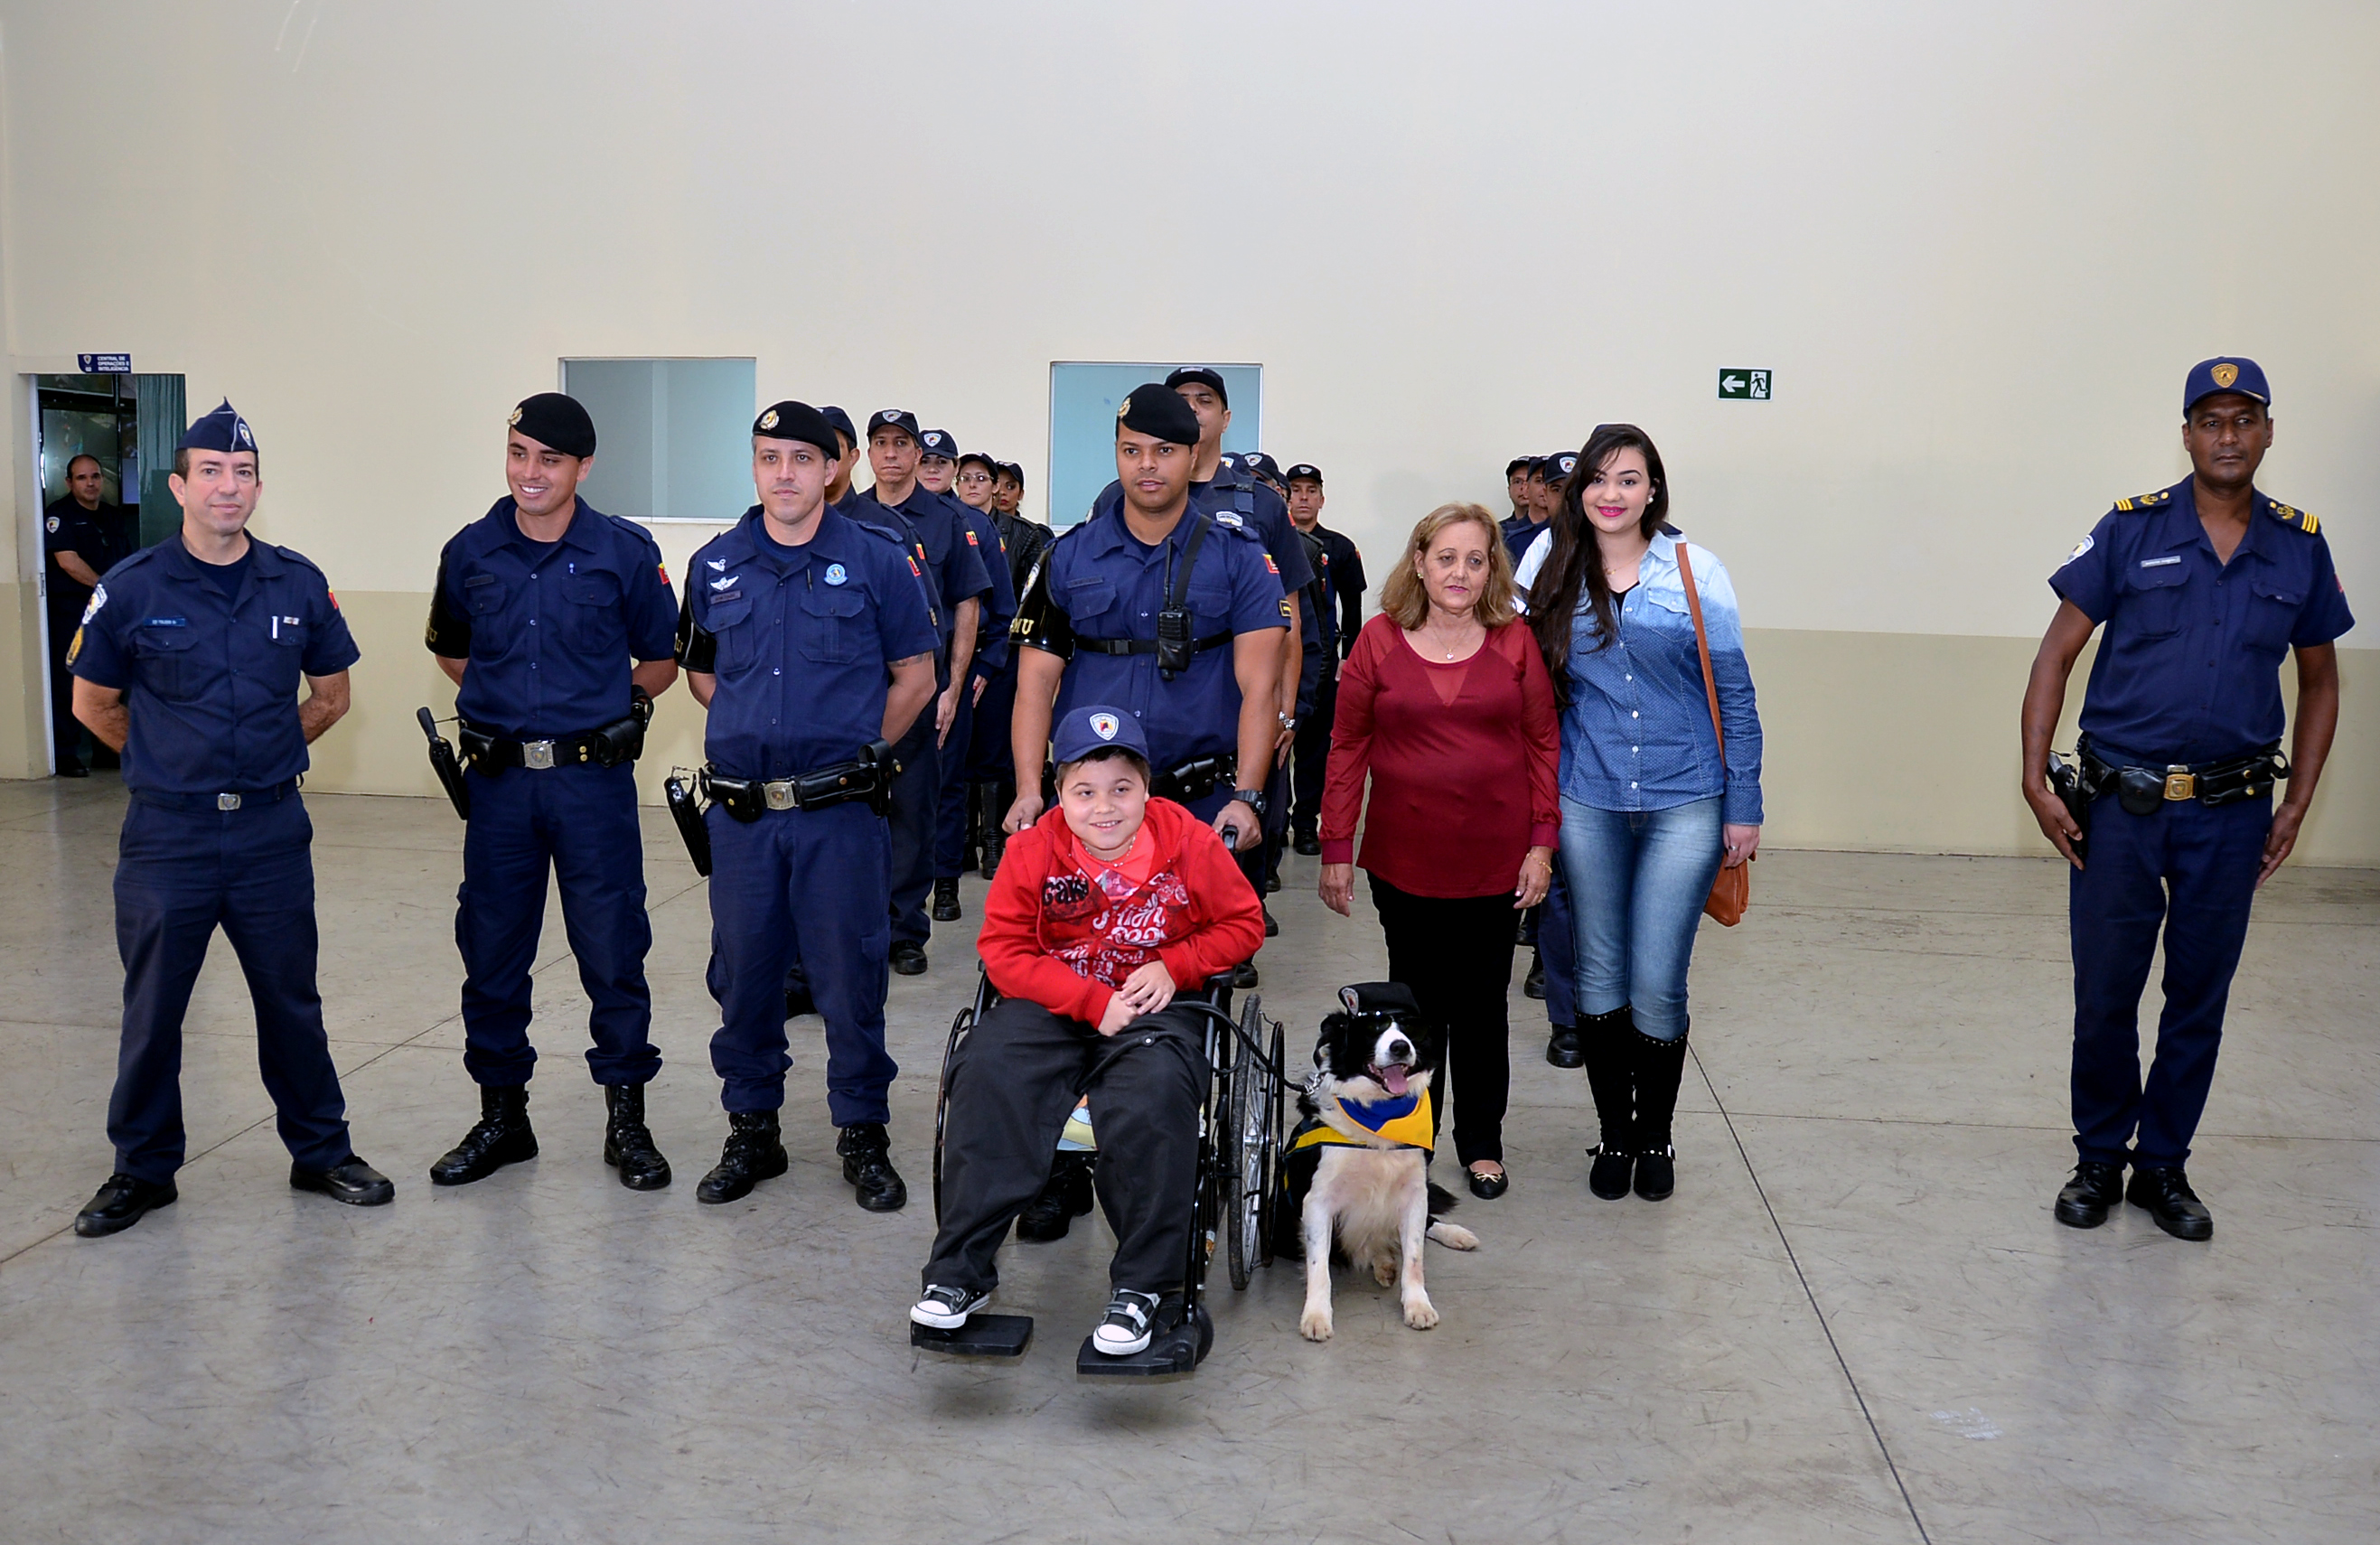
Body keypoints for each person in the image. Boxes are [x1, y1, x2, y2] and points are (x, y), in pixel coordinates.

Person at [2022, 358, 2349, 1243]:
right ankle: (2099, 1157)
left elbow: (2321, 681)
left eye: (2244, 420)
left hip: (2232, 812)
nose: (2228, 436)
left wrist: (2298, 801)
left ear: (2268, 433)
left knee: (2199, 996)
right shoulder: (2130, 530)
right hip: (2120, 809)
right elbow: (2056, 653)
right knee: (2106, 993)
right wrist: (2034, 775)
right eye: (2211, 421)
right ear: (2188, 435)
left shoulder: (2300, 545)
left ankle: (2163, 1165)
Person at [67, 399, 394, 1237]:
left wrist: (268, 752)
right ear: (179, 487)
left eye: (243, 473)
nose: (228, 486)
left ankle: (320, 1151)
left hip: (268, 833)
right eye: (211, 472)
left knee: (290, 1001)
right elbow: (93, 704)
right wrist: (167, 761)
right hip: (167, 836)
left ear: (258, 489)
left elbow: (332, 695)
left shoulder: (297, 582)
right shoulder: (132, 587)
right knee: (153, 1010)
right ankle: (142, 1169)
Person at [913, 706, 1264, 1353]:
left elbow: (1243, 925)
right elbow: (1003, 951)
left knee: (1153, 1093)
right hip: (1056, 999)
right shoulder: (1032, 851)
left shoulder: (1190, 843)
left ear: (1146, 787)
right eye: (1084, 792)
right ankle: (958, 1273)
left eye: (1121, 789)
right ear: (1059, 793)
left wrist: (1176, 964)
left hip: (1155, 1003)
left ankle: (1145, 1286)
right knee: (986, 1069)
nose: (1104, 808)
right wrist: (1087, 1000)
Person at [677, 400, 939, 1210]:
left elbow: (917, 677)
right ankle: (753, 1130)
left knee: (850, 977)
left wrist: (859, 749)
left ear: (832, 468)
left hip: (839, 815)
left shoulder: (879, 560)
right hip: (745, 820)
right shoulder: (715, 564)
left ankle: (862, 1133)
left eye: (800, 458)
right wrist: (756, 728)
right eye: (769, 458)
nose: (783, 474)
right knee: (745, 977)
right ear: (755, 467)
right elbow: (703, 673)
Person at [420, 393, 680, 1191]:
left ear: (583, 467)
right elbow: (452, 650)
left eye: (550, 459)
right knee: (492, 950)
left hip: (591, 785)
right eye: (518, 453)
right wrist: (507, 704)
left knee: (613, 948)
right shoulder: (470, 550)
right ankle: (504, 1118)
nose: (530, 473)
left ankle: (626, 1121)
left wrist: (612, 710)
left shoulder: (623, 552)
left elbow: (661, 657)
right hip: (500, 787)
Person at [1526, 423, 1761, 1205]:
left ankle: (1655, 1133)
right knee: (1598, 970)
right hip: (1587, 797)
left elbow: (1735, 693)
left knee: (1657, 978)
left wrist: (1744, 803)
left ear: (1652, 489)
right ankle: (1614, 1133)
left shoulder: (1695, 568)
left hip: (1685, 799)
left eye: (1628, 479)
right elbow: (1520, 682)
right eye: (1598, 478)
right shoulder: (1548, 563)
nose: (1611, 493)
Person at [1319, 503, 1556, 1198]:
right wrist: (1337, 844)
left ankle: (1481, 1143)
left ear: (1491, 571)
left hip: (1495, 860)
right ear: (1419, 561)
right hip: (1405, 861)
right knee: (1416, 1010)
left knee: (1482, 1006)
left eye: (1475, 560)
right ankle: (1412, 1140)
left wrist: (1542, 844)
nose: (1460, 572)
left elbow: (1543, 743)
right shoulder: (1378, 641)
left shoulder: (1515, 642)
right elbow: (1347, 745)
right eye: (1446, 557)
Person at [863, 410, 993, 974]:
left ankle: (905, 932)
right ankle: (859, 925)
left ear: (918, 454)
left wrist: (952, 688)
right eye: (881, 443)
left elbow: (968, 605)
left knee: (915, 811)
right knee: (857, 814)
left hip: (923, 690)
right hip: (862, 692)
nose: (891, 454)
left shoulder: (949, 520)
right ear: (868, 454)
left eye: (902, 444)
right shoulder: (846, 517)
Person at [917, 431, 1017, 922]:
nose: (933, 469)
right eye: (927, 460)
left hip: (952, 672)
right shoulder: (871, 517)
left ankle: (945, 882)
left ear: (953, 469)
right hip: (888, 677)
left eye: (943, 462)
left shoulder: (972, 524)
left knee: (949, 784)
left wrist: (983, 668)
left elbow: (1002, 609)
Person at [959, 451, 1053, 883]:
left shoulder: (1028, 536)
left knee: (995, 751)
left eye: (982, 479)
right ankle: (962, 839)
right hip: (957, 654)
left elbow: (1027, 594)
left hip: (1005, 650)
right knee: (958, 751)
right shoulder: (949, 526)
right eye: (967, 478)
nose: (974, 486)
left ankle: (993, 840)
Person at [1284, 464, 1365, 855]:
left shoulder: (1340, 548)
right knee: (1276, 743)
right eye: (1296, 490)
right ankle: (1274, 825)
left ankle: (1304, 825)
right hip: (1279, 658)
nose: (1303, 497)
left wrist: (1348, 658)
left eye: (1311, 490)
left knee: (1315, 749)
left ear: (1321, 499)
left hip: (1323, 662)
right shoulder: (1272, 542)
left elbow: (1352, 607)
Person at [44, 454, 119, 775]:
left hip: (107, 613)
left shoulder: (111, 515)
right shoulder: (59, 516)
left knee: (108, 678)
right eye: (82, 478)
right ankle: (66, 754)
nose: (90, 483)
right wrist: (105, 588)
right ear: (69, 482)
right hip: (71, 611)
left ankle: (107, 750)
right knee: (69, 681)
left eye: (95, 476)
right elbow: (68, 562)